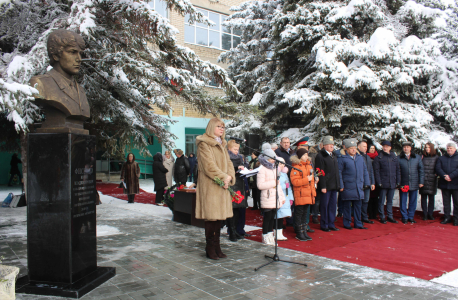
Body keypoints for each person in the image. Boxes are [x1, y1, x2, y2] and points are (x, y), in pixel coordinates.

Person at [195, 117, 236, 260]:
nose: (222, 129)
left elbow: (229, 163)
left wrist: (229, 177)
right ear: (211, 127)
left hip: (222, 186)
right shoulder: (204, 144)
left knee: (219, 219)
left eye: (223, 127)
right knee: (211, 218)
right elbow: (208, 166)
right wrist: (224, 177)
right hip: (211, 186)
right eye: (219, 126)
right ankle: (209, 247)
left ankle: (217, 246)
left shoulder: (222, 144)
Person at [338, 139, 371, 229]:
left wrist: (367, 183)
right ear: (347, 149)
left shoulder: (360, 158)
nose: (353, 150)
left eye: (354, 148)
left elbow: (365, 171)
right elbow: (339, 173)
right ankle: (347, 223)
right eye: (351, 148)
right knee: (347, 206)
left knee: (358, 206)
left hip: (359, 186)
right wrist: (341, 185)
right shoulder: (342, 158)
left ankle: (358, 223)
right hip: (348, 186)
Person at [257, 148, 286, 245]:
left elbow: (279, 185)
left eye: (274, 158)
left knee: (272, 218)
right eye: (271, 159)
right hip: (267, 197)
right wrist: (272, 183)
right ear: (266, 159)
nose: (274, 160)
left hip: (275, 198)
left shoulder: (274, 168)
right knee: (267, 218)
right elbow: (260, 185)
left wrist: (282, 197)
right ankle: (265, 236)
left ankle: (270, 235)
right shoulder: (262, 169)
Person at [315, 136, 341, 232]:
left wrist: (338, 184)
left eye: (332, 145)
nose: (331, 146)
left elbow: (336, 172)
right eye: (329, 144)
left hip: (334, 185)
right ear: (324, 145)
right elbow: (319, 171)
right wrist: (323, 186)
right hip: (326, 186)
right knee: (324, 206)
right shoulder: (320, 156)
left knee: (332, 206)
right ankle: (324, 224)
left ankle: (331, 223)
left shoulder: (333, 155)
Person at [290, 148, 316, 240]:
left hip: (308, 193)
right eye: (304, 155)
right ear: (300, 156)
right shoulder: (296, 166)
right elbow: (295, 181)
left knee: (305, 213)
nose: (306, 156)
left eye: (307, 154)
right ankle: (298, 232)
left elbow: (311, 179)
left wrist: (314, 184)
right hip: (300, 194)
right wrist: (306, 180)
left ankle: (304, 231)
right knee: (299, 213)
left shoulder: (308, 165)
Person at [373, 141, 401, 224]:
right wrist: (379, 182)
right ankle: (382, 217)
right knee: (381, 201)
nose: (385, 148)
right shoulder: (379, 158)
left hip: (392, 182)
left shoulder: (394, 157)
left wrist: (398, 181)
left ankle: (390, 216)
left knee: (390, 201)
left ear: (390, 147)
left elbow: (397, 170)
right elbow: (376, 171)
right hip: (383, 183)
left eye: (387, 146)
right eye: (384, 146)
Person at [226, 140, 248, 241]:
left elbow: (242, 166)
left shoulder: (239, 157)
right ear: (229, 148)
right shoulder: (226, 157)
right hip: (232, 185)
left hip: (240, 184)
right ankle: (231, 232)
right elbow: (225, 169)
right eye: (235, 149)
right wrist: (236, 168)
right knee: (232, 210)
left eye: (238, 149)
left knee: (239, 209)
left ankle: (236, 230)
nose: (237, 151)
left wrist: (245, 169)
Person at [398, 141, 424, 224]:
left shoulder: (417, 157)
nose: (406, 148)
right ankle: (404, 216)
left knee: (413, 201)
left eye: (407, 147)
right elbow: (397, 171)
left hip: (414, 182)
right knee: (403, 200)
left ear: (410, 148)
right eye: (404, 147)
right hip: (403, 183)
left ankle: (411, 216)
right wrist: (398, 183)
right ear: (403, 148)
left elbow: (421, 170)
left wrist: (421, 181)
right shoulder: (399, 158)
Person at [435, 142, 458, 226]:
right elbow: (438, 168)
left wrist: (451, 176)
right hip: (444, 184)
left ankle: (456, 219)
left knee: (456, 202)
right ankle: (447, 217)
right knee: (446, 202)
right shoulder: (441, 158)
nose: (449, 149)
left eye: (451, 148)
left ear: (455, 149)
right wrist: (444, 176)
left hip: (455, 184)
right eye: (448, 148)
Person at [357, 141, 376, 224]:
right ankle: (358, 218)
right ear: (358, 147)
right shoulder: (357, 156)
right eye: (364, 146)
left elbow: (371, 171)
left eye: (366, 146)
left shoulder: (367, 157)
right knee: (359, 202)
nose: (366, 148)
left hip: (367, 183)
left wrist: (372, 182)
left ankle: (364, 217)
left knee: (366, 201)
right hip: (360, 183)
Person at [275, 157, 293, 241]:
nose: (282, 165)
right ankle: (276, 233)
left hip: (285, 197)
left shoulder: (284, 174)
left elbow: (288, 187)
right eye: (280, 163)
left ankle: (280, 233)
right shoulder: (276, 173)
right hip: (278, 196)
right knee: (277, 216)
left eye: (283, 164)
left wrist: (290, 198)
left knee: (282, 216)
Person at [420, 143, 438, 220]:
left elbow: (438, 167)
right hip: (423, 179)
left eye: (429, 147)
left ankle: (430, 214)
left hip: (432, 179)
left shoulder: (436, 157)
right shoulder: (422, 157)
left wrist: (436, 174)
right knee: (423, 197)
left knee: (431, 198)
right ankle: (424, 214)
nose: (427, 149)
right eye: (426, 147)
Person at [367, 145, 379, 219]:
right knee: (369, 198)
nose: (372, 150)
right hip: (369, 179)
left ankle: (375, 213)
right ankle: (370, 213)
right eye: (370, 148)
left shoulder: (377, 157)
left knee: (375, 198)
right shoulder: (366, 157)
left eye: (373, 148)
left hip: (376, 179)